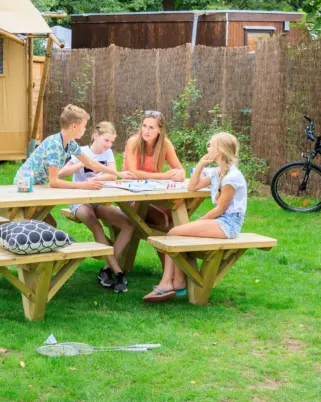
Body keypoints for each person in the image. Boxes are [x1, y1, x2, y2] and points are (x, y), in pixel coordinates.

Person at [143, 132, 247, 302]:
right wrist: (200, 165)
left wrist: (198, 222)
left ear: (219, 151)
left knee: (173, 233)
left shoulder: (231, 177)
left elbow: (219, 210)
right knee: (175, 234)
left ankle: (168, 283)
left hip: (229, 224)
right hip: (221, 221)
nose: (208, 148)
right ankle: (176, 281)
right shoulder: (217, 172)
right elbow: (192, 187)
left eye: (210, 145)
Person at [57, 121, 136, 292]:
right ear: (95, 136)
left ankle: (106, 269)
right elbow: (61, 174)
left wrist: (97, 178)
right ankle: (119, 272)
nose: (109, 145)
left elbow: (113, 176)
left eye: (111, 142)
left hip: (100, 200)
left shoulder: (108, 153)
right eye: (106, 140)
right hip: (80, 200)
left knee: (128, 225)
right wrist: (82, 163)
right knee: (95, 225)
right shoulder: (81, 151)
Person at [14, 105, 118, 226]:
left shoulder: (70, 142)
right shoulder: (55, 145)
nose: (85, 129)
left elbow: (90, 162)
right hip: (25, 187)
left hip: (38, 186)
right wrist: (84, 185)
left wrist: (118, 173)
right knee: (44, 225)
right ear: (74, 126)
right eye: (84, 126)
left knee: (50, 225)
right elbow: (54, 182)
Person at [122, 110, 185, 230]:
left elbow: (180, 169)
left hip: (153, 192)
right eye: (144, 126)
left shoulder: (165, 144)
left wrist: (180, 174)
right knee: (162, 219)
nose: (146, 131)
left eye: (151, 127)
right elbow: (133, 172)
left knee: (175, 212)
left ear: (160, 130)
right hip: (130, 192)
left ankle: (170, 241)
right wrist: (164, 176)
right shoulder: (133, 142)